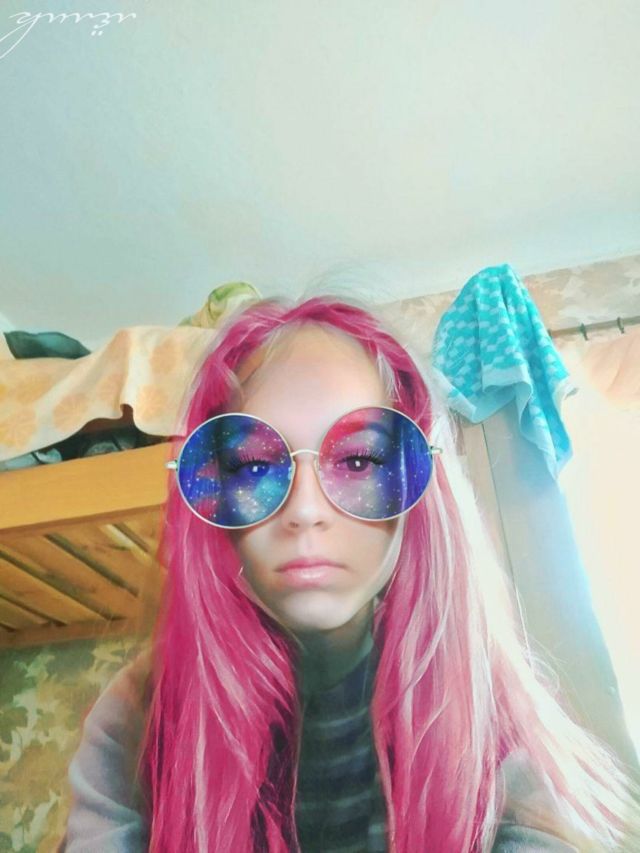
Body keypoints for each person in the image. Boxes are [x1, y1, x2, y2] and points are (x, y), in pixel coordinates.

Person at [61, 294, 640, 852]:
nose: (305, 510)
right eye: (255, 465)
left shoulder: (482, 696)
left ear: (421, 487)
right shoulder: (139, 713)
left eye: (359, 460)